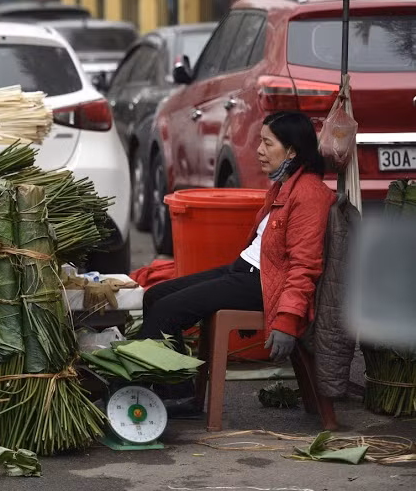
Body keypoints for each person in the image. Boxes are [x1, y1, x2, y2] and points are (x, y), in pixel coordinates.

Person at [138, 111, 334, 406]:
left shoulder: (309, 194)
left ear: (292, 151)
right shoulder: (285, 184)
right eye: (260, 142)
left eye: (268, 143)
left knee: (166, 311)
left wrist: (287, 321)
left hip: (261, 284)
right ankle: (176, 392)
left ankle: (153, 392)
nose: (259, 150)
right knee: (155, 295)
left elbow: (305, 266)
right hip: (244, 271)